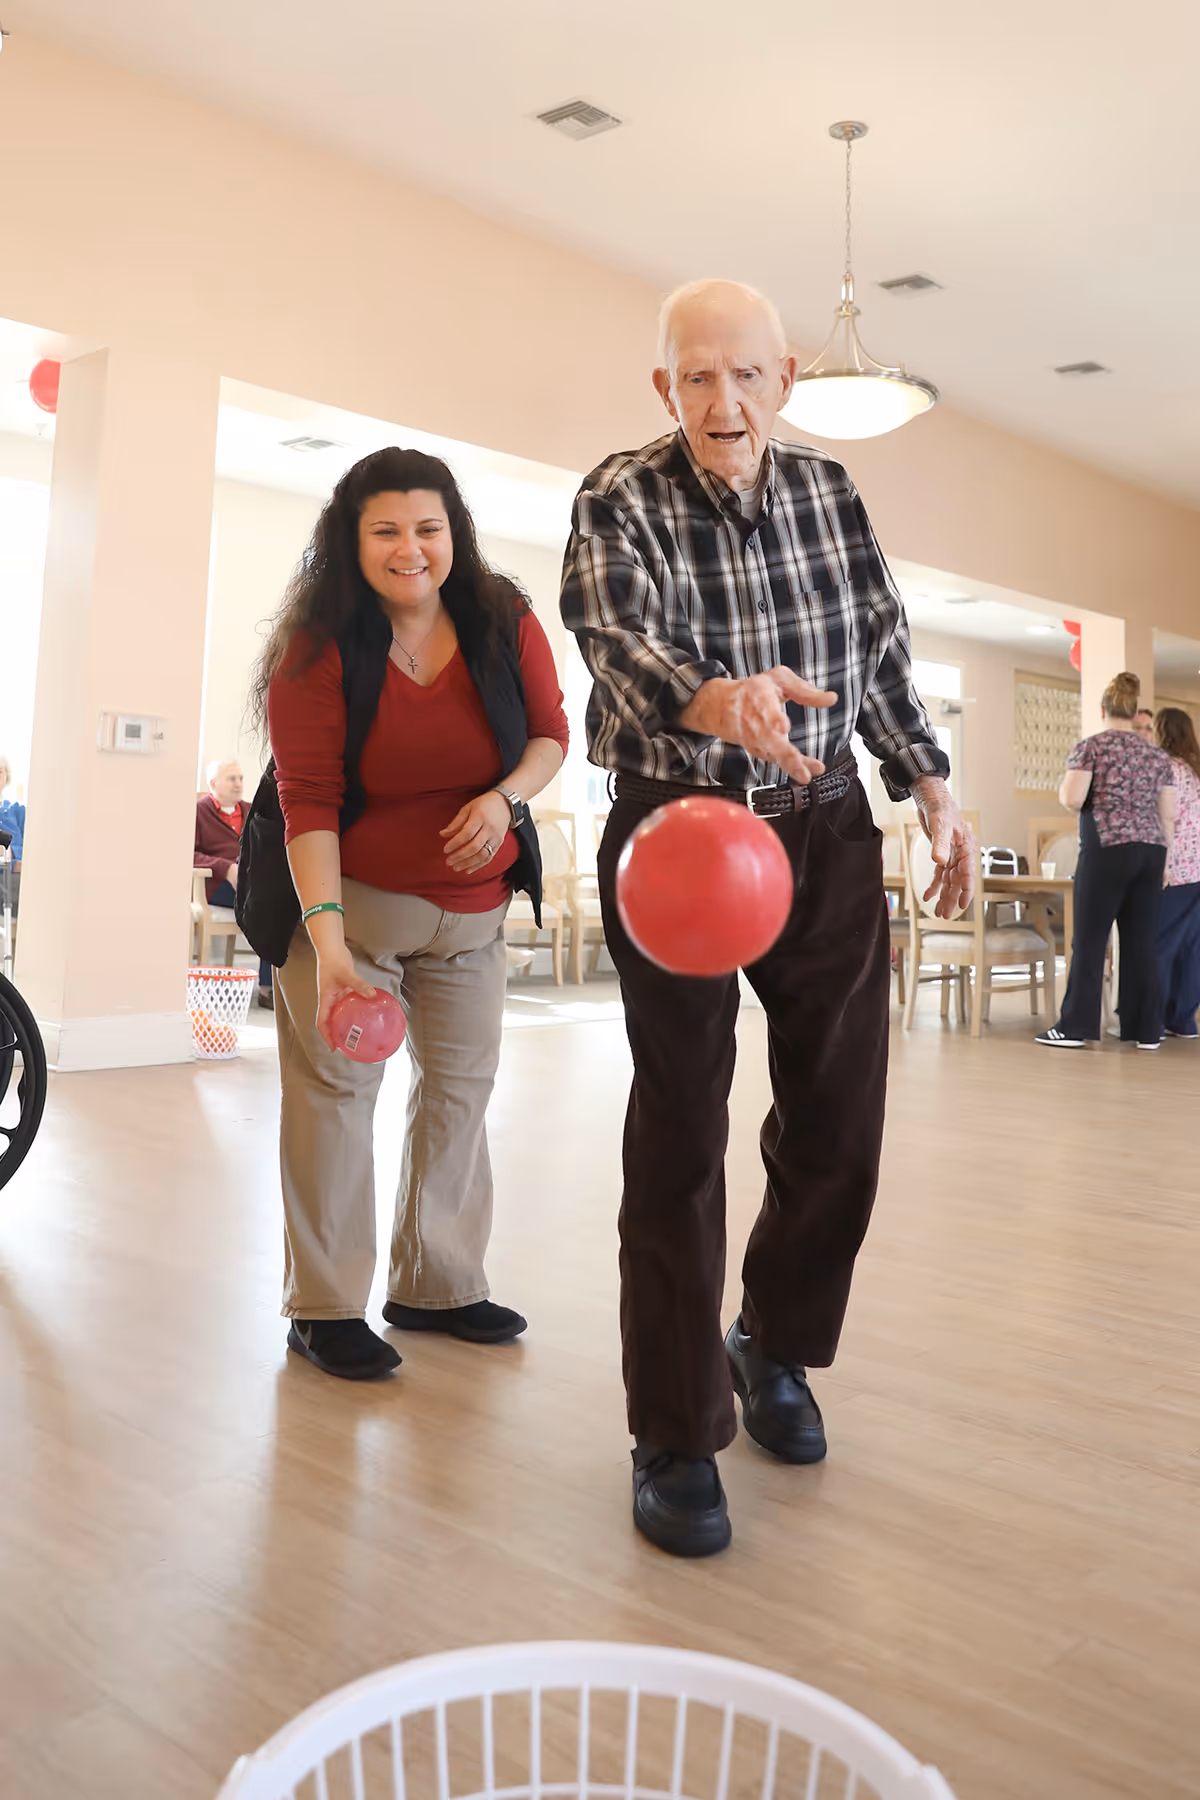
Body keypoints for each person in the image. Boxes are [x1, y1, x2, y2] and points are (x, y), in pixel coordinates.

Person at [560, 277, 974, 1557]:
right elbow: (612, 638)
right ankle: (675, 1428)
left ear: (785, 377)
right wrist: (717, 699)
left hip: (823, 822)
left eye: (743, 374)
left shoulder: (830, 495)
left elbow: (883, 649)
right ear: (664, 387)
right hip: (679, 830)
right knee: (682, 1124)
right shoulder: (619, 495)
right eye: (695, 376)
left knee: (843, 1109)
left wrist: (934, 784)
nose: (720, 400)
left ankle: (776, 1344)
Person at [254, 447, 568, 1381]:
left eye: (427, 528)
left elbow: (552, 734)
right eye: (385, 530)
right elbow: (305, 801)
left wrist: (504, 799)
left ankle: (437, 1284)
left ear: (453, 532)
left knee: (461, 1095)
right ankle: (324, 1307)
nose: (409, 549)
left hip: (472, 920)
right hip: (353, 919)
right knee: (335, 1102)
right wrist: (329, 946)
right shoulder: (316, 649)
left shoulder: (502, 616)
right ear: (350, 541)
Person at [1037, 672, 1175, 1051]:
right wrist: (1166, 861)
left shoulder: (1091, 748)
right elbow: (1168, 813)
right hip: (1152, 852)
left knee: (1091, 939)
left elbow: (1073, 798)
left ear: (1103, 710)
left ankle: (1074, 1027)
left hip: (1108, 849)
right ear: (1132, 713)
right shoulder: (1157, 756)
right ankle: (1145, 1029)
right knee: (1141, 941)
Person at [194, 759, 273, 1005]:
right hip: (217, 886)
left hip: (254, 883)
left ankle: (273, 986)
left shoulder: (253, 810)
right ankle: (268, 989)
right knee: (270, 905)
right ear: (213, 784)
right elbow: (187, 853)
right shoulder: (199, 811)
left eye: (240, 778)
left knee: (277, 904)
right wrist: (226, 867)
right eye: (231, 779)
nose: (238, 784)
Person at [1153, 708, 1200, 1039]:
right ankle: (1183, 1019)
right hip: (1198, 870)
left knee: (1160, 944)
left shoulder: (1166, 769)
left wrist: (1162, 864)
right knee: (1191, 947)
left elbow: (1165, 821)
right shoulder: (1196, 769)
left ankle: (1152, 1019)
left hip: (1177, 869)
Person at [0, 756, 25, 918]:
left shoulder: (18, 811)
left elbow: (34, 848)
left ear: (6, 776)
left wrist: (11, 856)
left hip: (18, 884)